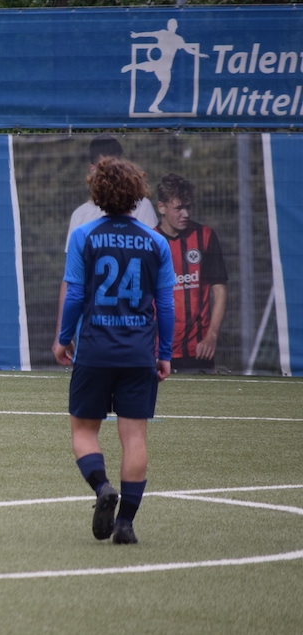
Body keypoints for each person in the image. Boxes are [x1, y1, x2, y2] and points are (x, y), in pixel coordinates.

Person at [53, 156, 175, 545]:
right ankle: (125, 524)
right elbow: (166, 304)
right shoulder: (156, 241)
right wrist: (165, 352)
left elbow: (74, 295)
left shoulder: (84, 236)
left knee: (83, 430)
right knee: (134, 436)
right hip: (138, 353)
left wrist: (63, 338)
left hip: (95, 350)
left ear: (97, 193)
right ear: (138, 194)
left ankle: (102, 487)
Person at [56, 135, 158, 341]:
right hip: (93, 326)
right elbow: (71, 282)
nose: (113, 175)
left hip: (133, 324)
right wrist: (61, 333)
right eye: (106, 168)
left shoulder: (142, 206)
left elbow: (156, 272)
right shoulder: (81, 217)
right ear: (93, 170)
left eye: (117, 168)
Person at [155, 173, 228, 373]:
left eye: (188, 207)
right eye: (178, 208)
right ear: (161, 207)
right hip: (158, 350)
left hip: (199, 350)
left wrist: (212, 336)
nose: (186, 214)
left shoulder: (205, 236)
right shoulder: (150, 242)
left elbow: (220, 291)